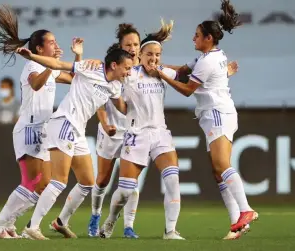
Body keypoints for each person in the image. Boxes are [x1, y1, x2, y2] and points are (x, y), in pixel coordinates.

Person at [156, 0, 258, 240]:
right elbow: (182, 70)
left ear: (208, 38)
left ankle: (246, 210)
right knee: (217, 170)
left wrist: (160, 74)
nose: (194, 39)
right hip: (217, 114)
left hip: (217, 114)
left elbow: (187, 88)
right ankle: (237, 223)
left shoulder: (208, 60)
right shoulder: (211, 56)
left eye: (197, 35)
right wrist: (157, 65)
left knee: (222, 165)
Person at [14, 42, 134, 240]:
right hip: (64, 122)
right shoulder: (93, 68)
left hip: (78, 130)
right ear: (114, 65)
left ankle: (60, 222)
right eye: (127, 68)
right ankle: (31, 227)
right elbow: (59, 65)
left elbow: (123, 107)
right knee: (59, 181)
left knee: (87, 182)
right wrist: (32, 57)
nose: (129, 72)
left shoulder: (114, 86)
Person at [0, 5, 78, 239]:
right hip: (29, 128)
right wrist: (51, 66)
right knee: (32, 181)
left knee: (43, 184)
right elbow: (36, 85)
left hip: (44, 130)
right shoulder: (33, 65)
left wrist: (77, 57)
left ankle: (8, 223)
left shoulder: (49, 68)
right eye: (52, 42)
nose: (56, 46)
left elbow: (76, 79)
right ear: (39, 48)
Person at [99, 20, 185, 240]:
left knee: (173, 180)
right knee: (126, 190)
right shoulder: (130, 75)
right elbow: (121, 103)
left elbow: (188, 76)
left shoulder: (163, 72)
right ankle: (110, 221)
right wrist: (115, 99)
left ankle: (170, 231)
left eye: (158, 55)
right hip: (137, 135)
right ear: (141, 55)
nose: (154, 59)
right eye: (150, 55)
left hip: (160, 133)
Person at [88, 23, 142, 239]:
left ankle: (129, 226)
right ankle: (95, 215)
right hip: (111, 131)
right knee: (102, 179)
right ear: (120, 47)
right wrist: (103, 123)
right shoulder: (112, 67)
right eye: (128, 44)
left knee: (131, 183)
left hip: (134, 132)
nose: (132, 48)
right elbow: (100, 99)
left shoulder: (146, 67)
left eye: (136, 44)